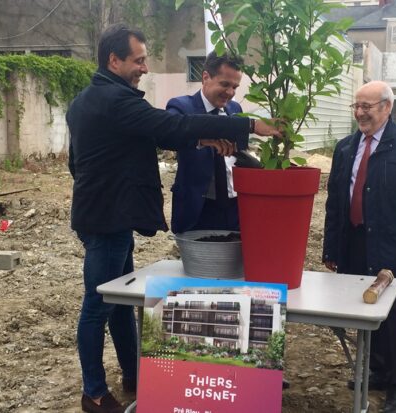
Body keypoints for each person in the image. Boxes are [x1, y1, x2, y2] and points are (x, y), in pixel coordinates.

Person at [66, 24, 279, 413]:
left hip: (105, 215)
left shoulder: (86, 100)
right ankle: (94, 393)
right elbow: (171, 125)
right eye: (139, 60)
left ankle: (133, 374)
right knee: (98, 304)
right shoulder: (116, 100)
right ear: (113, 61)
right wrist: (248, 125)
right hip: (107, 219)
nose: (144, 67)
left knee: (117, 300)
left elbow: (77, 163)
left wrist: (201, 139)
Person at [322, 81, 396, 413]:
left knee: (392, 315)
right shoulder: (345, 147)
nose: (360, 113)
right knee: (361, 312)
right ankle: (376, 371)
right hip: (354, 241)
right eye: (356, 106)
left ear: (386, 107)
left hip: (392, 245)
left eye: (367, 107)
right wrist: (331, 247)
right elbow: (335, 203)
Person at [167, 51, 245, 234]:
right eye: (225, 84)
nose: (230, 93)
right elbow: (170, 134)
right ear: (205, 77)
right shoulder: (181, 107)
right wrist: (202, 139)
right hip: (198, 210)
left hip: (235, 209)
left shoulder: (235, 109)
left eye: (235, 87)